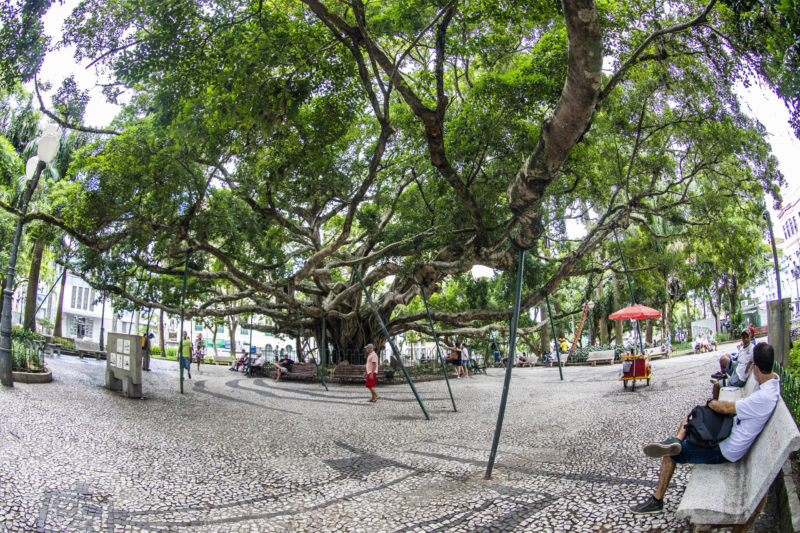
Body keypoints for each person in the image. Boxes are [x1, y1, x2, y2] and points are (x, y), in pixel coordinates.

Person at [630, 343, 779, 514]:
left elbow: (726, 409)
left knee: (670, 454)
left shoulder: (763, 397)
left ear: (756, 368)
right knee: (691, 419)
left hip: (725, 449)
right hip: (729, 431)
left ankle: (657, 501)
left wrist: (709, 403)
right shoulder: (772, 383)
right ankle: (677, 440)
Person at [710, 328, 754, 399]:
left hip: (738, 378)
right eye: (743, 337)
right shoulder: (742, 348)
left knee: (716, 385)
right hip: (736, 368)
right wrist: (729, 356)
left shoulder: (752, 349)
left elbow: (758, 357)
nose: (745, 339)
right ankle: (723, 375)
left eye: (747, 337)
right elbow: (737, 358)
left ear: (750, 337)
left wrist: (750, 363)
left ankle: (714, 404)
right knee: (723, 359)